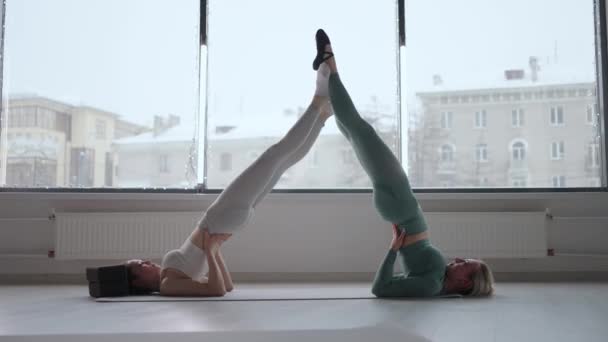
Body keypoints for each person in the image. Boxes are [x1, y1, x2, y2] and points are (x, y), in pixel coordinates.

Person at [125, 48, 334, 296]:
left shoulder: (169, 277)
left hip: (224, 222)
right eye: (141, 267)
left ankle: (323, 115)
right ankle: (319, 100)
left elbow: (227, 285)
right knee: (274, 156)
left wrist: (214, 252)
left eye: (142, 261)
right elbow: (218, 291)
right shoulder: (167, 285)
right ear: (137, 283)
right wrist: (212, 252)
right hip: (218, 219)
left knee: (281, 163)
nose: (147, 262)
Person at [313, 29, 494, 297]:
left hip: (400, 202)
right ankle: (329, 83)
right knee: (357, 134)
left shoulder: (432, 284)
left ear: (466, 283)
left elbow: (381, 288)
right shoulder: (435, 278)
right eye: (464, 260)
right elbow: (399, 279)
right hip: (402, 203)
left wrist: (393, 249)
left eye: (464, 265)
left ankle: (330, 64)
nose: (457, 260)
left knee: (362, 132)